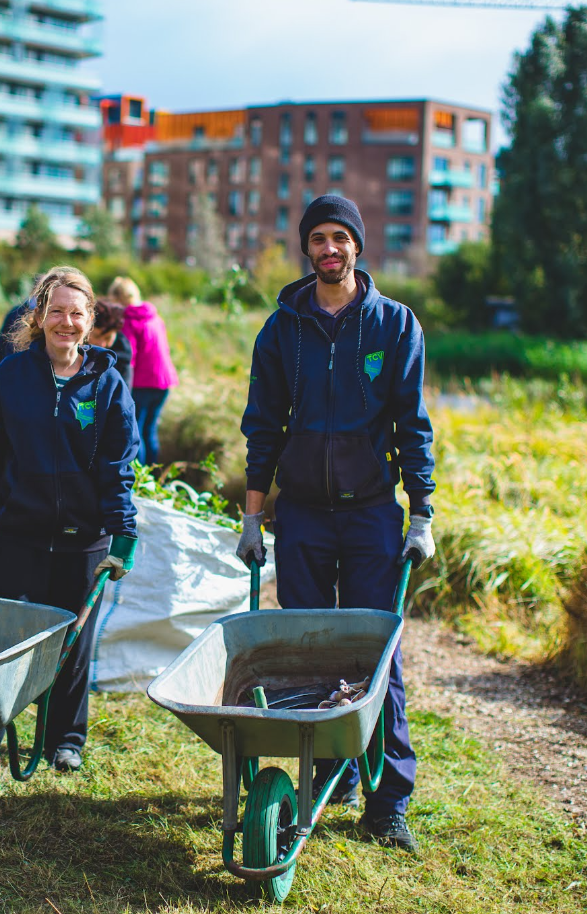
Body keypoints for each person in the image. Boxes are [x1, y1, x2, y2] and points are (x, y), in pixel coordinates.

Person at [235, 194, 436, 853]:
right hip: (302, 518)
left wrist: (421, 512)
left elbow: (412, 428)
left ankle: (387, 802)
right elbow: (262, 430)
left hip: (373, 513)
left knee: (376, 653)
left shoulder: (392, 325)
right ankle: (328, 771)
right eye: (318, 237)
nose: (329, 248)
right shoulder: (281, 330)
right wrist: (253, 520)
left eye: (339, 237)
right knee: (310, 646)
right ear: (306, 248)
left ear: (357, 245)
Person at [0, 266, 140, 784]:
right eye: (56, 312)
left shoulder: (108, 386)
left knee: (70, 645)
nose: (66, 323)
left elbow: (120, 467)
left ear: (91, 319)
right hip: (18, 532)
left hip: (84, 539)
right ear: (38, 317)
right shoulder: (10, 378)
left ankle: (64, 740)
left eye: (77, 313)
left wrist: (124, 534)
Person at [109, 277, 178, 465]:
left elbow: (128, 356)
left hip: (142, 382)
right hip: (163, 381)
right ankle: (153, 478)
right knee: (150, 430)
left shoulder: (128, 321)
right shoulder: (154, 317)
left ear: (118, 297)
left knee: (135, 432)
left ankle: (139, 478)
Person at [89, 299, 134, 388]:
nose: (102, 344)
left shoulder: (123, 357)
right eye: (96, 336)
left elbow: (125, 395)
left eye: (107, 338)